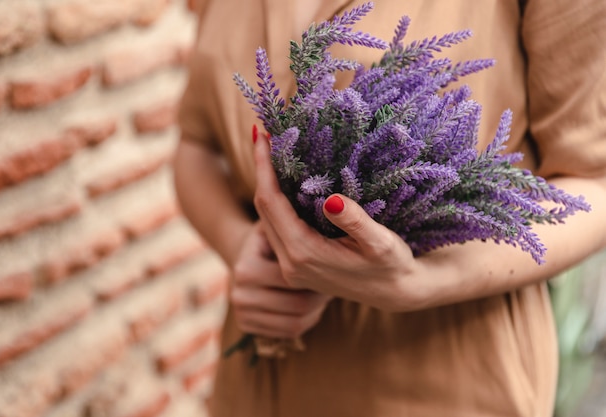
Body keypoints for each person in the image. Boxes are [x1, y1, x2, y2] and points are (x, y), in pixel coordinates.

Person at [172, 1, 606, 416]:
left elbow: (595, 185)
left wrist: (425, 279)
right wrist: (244, 247)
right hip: (263, 360)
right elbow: (197, 145)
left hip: (445, 363)